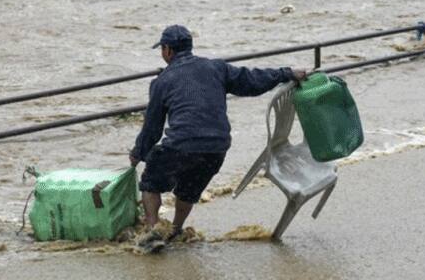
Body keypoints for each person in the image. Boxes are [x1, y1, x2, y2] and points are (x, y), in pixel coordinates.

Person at [130, 25, 306, 252]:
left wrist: (137, 154)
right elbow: (252, 81)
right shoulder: (216, 68)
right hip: (217, 146)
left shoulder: (161, 82)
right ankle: (175, 228)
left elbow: (152, 128)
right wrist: (287, 73)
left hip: (182, 144)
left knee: (151, 181)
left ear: (168, 51)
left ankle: (153, 230)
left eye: (162, 49)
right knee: (189, 188)